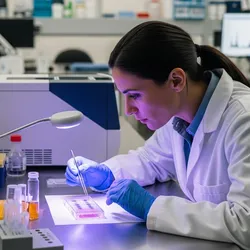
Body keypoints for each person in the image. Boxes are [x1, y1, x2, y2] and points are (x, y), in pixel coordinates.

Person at [65, 21, 250, 249]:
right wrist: (107, 175)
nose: (128, 110)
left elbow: (245, 223)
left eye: (135, 95)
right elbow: (150, 160)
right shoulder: (179, 117)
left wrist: (151, 207)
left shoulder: (243, 120)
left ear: (176, 80)